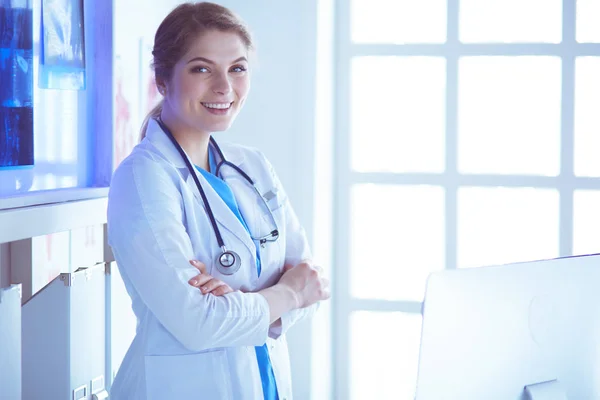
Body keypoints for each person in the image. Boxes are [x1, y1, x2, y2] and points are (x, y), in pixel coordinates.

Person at [106, 2, 330, 400]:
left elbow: (312, 283)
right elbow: (196, 322)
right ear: (162, 80)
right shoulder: (144, 177)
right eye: (202, 69)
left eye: (237, 68)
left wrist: (247, 301)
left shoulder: (253, 166)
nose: (224, 87)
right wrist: (285, 293)